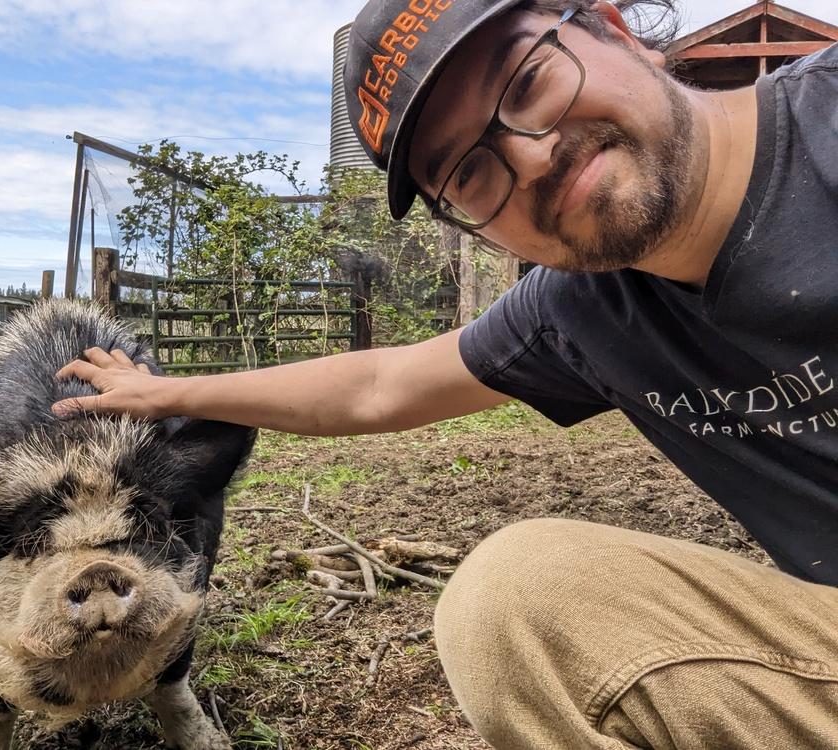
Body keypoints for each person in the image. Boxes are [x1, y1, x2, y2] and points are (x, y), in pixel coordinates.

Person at [53, 0, 838, 746]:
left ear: (612, 28)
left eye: (529, 81)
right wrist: (165, 392)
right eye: (470, 172)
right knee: (516, 597)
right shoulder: (582, 309)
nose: (530, 158)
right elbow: (379, 385)